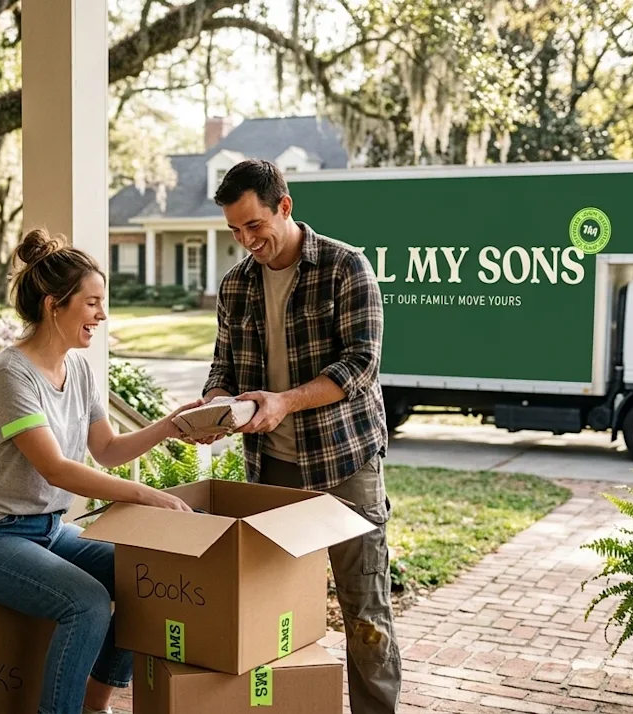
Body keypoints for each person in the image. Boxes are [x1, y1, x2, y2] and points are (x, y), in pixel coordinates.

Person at [0, 228, 197, 714]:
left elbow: (105, 449)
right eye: (92, 303)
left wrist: (169, 426)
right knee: (86, 604)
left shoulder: (77, 370)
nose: (102, 316)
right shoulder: (9, 374)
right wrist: (146, 495)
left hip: (50, 531)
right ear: (52, 305)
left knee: (141, 578)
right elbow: (57, 469)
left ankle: (94, 705)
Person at [193, 159, 401, 713]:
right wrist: (216, 405)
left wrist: (285, 401)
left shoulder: (344, 267)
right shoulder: (235, 285)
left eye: (254, 225)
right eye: (234, 230)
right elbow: (224, 368)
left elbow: (361, 365)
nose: (246, 240)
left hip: (345, 466)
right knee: (267, 609)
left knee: (365, 613)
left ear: (285, 207)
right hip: (271, 471)